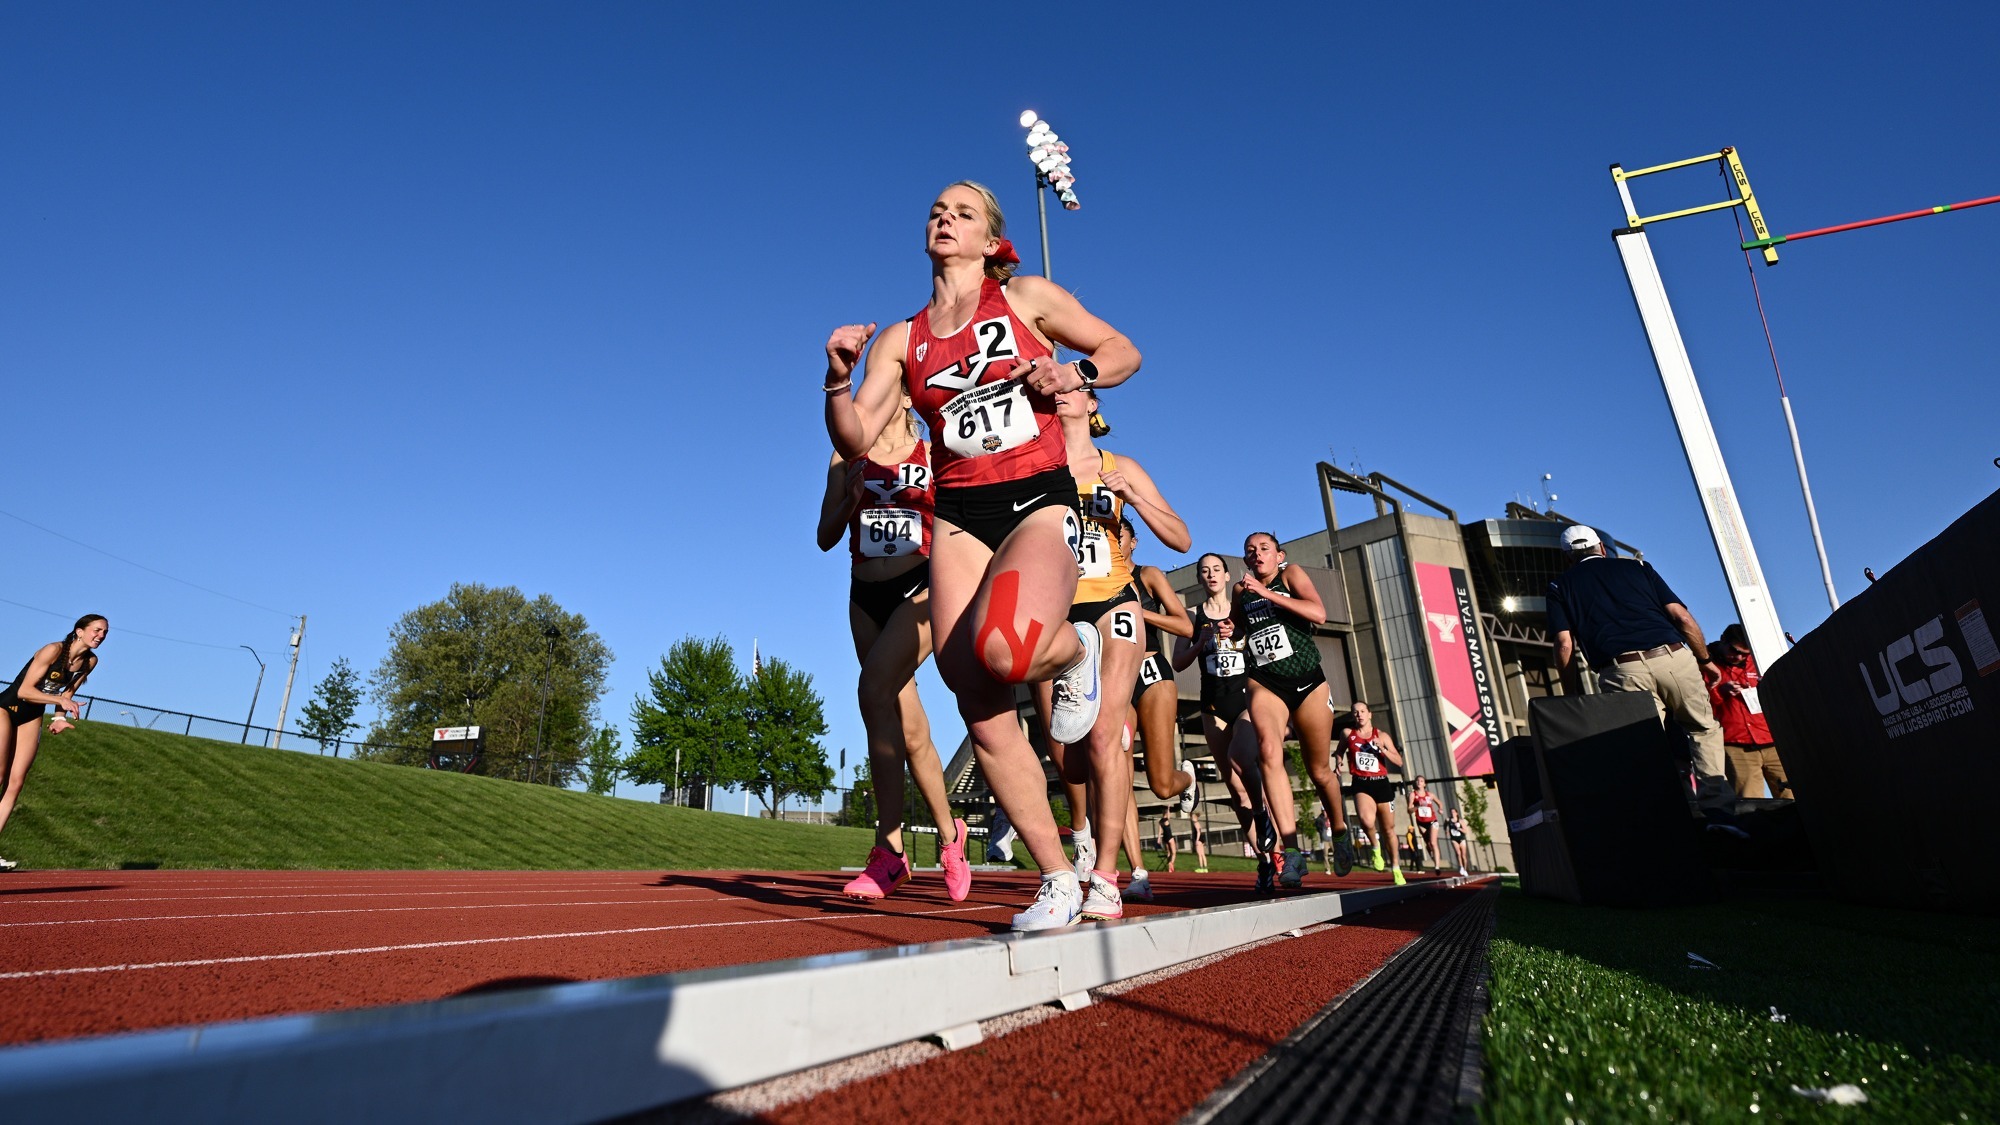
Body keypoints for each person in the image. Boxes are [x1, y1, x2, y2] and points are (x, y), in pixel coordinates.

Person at [823, 181, 1140, 931]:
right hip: (961, 514)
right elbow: (854, 438)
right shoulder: (903, 339)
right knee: (976, 696)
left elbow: (1122, 348)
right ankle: (1057, 877)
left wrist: (1074, 374)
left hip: (1037, 497)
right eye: (936, 209)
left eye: (962, 212)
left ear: (990, 236)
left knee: (1004, 650)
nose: (944, 218)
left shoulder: (1027, 296)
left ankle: (1071, 655)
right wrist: (837, 375)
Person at [1030, 386, 1187, 922]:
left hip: (1113, 602)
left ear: (1092, 403)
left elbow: (1181, 537)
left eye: (1075, 387)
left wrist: (1134, 497)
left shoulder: (1120, 465)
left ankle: (1106, 878)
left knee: (1105, 738)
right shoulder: (1034, 457)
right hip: (1054, 610)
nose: (1062, 394)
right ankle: (1083, 840)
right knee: (1063, 749)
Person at [816, 395, 971, 902]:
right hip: (865, 596)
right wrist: (849, 498)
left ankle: (890, 850)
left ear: (907, 394)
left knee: (874, 689)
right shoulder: (846, 456)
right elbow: (824, 536)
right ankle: (951, 836)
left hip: (920, 585)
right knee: (910, 727)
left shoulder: (934, 452)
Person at [1547, 524, 1726, 780]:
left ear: (1567, 557)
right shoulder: (1638, 567)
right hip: (1672, 657)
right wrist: (1705, 659)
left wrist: (1573, 694)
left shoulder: (1559, 586)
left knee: (1643, 745)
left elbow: (1564, 644)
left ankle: (1673, 811)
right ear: (1602, 548)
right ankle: (1718, 809)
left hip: (1622, 669)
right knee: (1702, 729)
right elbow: (1682, 618)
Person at [1236, 532, 1353, 889]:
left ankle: (1340, 828)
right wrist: (1230, 628)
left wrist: (1269, 594)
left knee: (1319, 771)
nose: (1257, 555)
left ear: (1279, 555)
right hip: (1264, 681)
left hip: (1307, 682)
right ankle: (1292, 850)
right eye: (1250, 551)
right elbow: (1243, 627)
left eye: (1264, 549)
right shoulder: (1241, 591)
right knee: (1268, 750)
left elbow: (1318, 612)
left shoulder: (1291, 576)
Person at [0, 615, 108, 870]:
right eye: (97, 630)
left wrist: (59, 716)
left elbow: (67, 693)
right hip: (6, 708)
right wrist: (59, 702)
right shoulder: (53, 650)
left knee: (16, 783)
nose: (101, 635)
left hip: (32, 715)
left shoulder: (90, 661)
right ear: (79, 631)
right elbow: (25, 691)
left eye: (105, 632)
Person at [1172, 553, 1259, 860]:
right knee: (1235, 788)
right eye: (1204, 571)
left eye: (1216, 570)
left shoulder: (1243, 611)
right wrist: (1200, 642)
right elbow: (1178, 663)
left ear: (1226, 576)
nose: (1210, 574)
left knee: (1246, 767)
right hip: (1213, 706)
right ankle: (1263, 859)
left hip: (1245, 700)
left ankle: (1268, 825)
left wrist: (1240, 635)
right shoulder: (1192, 616)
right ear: (1199, 578)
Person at [1122, 517, 1197, 812]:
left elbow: (1185, 626)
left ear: (1133, 542)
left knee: (1162, 785)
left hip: (1150, 671)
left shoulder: (1148, 574)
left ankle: (1188, 779)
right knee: (1116, 769)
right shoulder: (1093, 580)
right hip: (1115, 677)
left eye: (1120, 534)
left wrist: (1139, 613)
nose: (1112, 540)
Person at [1709, 624, 1791, 799]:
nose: (1738, 657)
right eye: (1734, 650)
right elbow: (1698, 705)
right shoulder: (1706, 665)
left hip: (1772, 741)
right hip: (1736, 745)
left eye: (1744, 654)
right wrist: (1719, 693)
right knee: (1750, 802)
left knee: (1791, 796)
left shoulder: (1760, 662)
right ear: (1723, 640)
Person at [1339, 702, 1407, 885]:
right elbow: (1340, 751)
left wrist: (1382, 749)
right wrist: (1338, 760)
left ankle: (1396, 868)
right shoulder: (1347, 734)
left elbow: (1399, 761)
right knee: (1366, 821)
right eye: (1355, 712)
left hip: (1381, 784)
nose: (1359, 715)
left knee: (1389, 830)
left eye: (1362, 711)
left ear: (1370, 714)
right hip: (1361, 784)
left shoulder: (1382, 736)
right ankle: (1376, 848)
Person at [1409, 774, 1443, 873]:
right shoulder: (1413, 795)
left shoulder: (1430, 795)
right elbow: (1409, 810)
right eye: (1417, 781)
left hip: (1432, 821)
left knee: (1433, 842)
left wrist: (1440, 809)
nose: (1419, 782)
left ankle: (1437, 867)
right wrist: (1417, 806)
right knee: (1428, 844)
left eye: (1421, 781)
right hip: (1421, 822)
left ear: (1424, 784)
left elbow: (1439, 803)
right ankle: (1434, 859)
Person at [1446, 806, 1471, 876]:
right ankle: (1461, 867)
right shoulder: (1448, 820)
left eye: (1454, 812)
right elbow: (1445, 825)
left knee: (1463, 855)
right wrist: (1446, 831)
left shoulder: (1461, 821)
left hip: (1461, 838)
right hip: (1454, 839)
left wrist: (1459, 828)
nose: (1452, 813)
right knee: (1458, 853)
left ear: (1456, 813)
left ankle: (1465, 869)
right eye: (1451, 812)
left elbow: (1465, 831)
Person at [1315, 805, 1335, 875]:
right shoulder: (1319, 819)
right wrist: (1322, 833)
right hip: (1324, 839)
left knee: (1336, 852)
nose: (1325, 812)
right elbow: (1317, 828)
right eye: (1323, 811)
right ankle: (1327, 869)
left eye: (1325, 811)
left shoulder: (1331, 817)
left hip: (1332, 839)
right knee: (1325, 855)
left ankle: (1338, 866)